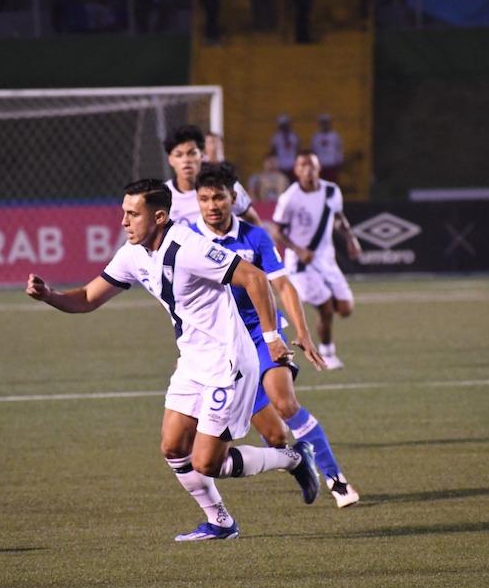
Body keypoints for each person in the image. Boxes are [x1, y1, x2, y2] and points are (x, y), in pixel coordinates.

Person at [26, 178, 320, 541]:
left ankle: (292, 458)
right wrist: (49, 295)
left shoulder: (190, 247)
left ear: (160, 216)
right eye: (123, 212)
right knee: (172, 448)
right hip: (192, 362)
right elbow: (88, 297)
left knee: (207, 463)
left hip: (227, 364)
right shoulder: (133, 252)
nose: (123, 221)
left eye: (132, 214)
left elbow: (255, 279)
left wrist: (272, 337)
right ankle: (221, 523)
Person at [194, 163, 360, 507]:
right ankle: (301, 460)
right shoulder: (188, 239)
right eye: (205, 199)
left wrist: (301, 332)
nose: (213, 205)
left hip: (261, 333)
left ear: (233, 198)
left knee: (284, 401)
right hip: (221, 347)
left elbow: (282, 284)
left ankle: (337, 480)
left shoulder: (254, 237)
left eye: (219, 197)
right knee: (274, 435)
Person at [268, 150, 362, 370]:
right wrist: (298, 250)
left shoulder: (331, 191)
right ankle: (328, 354)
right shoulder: (289, 197)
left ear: (319, 168)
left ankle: (315, 302)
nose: (308, 170)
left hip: (326, 259)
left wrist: (351, 239)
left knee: (346, 308)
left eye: (312, 166)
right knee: (326, 308)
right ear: (296, 170)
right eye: (303, 166)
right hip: (301, 264)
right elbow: (277, 231)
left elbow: (338, 217)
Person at [163, 124, 261, 227]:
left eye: (192, 153)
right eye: (179, 155)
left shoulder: (225, 184)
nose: (186, 160)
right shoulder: (163, 195)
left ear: (201, 155)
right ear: (170, 159)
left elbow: (253, 220)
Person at [311, 113, 344, 183]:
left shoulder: (335, 136)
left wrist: (339, 161)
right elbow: (314, 151)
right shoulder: (316, 137)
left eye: (326, 123)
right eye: (323, 123)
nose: (325, 125)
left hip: (332, 164)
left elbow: (339, 149)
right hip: (320, 165)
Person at [269, 114, 299, 182]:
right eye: (283, 125)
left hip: (292, 165)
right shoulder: (276, 137)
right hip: (280, 165)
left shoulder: (294, 136)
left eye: (285, 125)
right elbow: (273, 152)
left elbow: (297, 151)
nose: (284, 127)